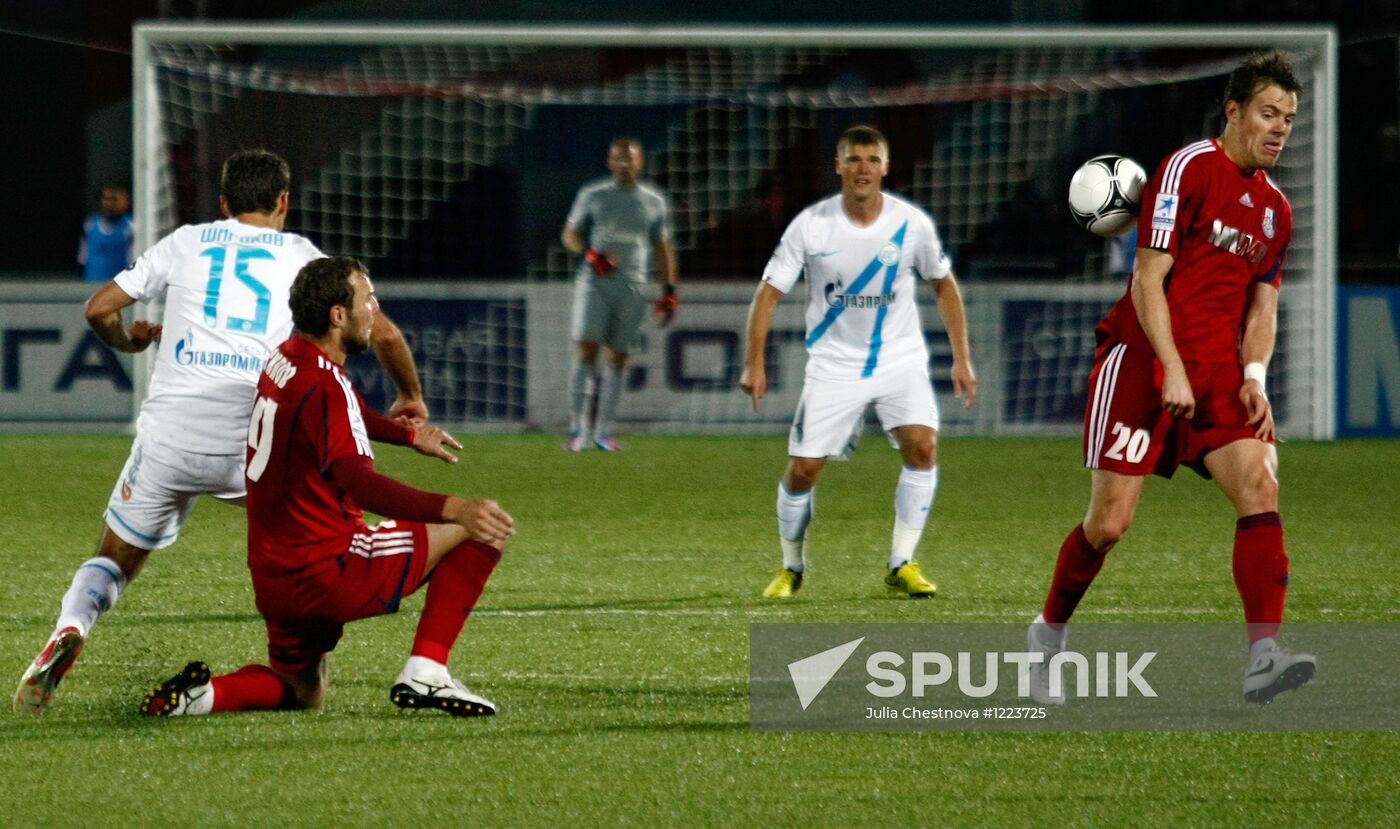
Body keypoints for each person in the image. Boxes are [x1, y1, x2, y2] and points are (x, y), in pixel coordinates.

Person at [14, 150, 427, 716]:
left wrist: (126, 341)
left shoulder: (187, 241)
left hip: (170, 440)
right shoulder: (305, 257)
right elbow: (381, 334)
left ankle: (72, 626)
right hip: (251, 447)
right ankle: (302, 666)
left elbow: (98, 308)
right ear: (284, 202)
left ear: (224, 204)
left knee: (116, 555)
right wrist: (411, 396)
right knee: (322, 541)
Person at [1025, 51, 1314, 706]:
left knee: (1260, 487)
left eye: (1290, 119)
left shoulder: (1276, 212)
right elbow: (1147, 278)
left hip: (1216, 373)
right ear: (1234, 111)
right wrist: (1172, 368)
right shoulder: (1188, 169)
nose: (1279, 128)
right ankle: (1047, 635)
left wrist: (1255, 376)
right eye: (1269, 113)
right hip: (1142, 359)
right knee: (1109, 525)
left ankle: (1263, 655)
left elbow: (1263, 307)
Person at [138, 257, 512, 717]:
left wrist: (408, 434)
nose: (375, 308)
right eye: (367, 299)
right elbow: (362, 485)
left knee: (303, 692)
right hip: (328, 567)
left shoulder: (288, 357)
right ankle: (427, 671)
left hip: (275, 576)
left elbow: (344, 409)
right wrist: (456, 507)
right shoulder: (324, 386)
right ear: (338, 316)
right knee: (485, 526)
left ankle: (205, 696)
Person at [740, 124, 977, 599]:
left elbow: (944, 285)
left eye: (872, 159)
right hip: (833, 365)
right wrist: (754, 363)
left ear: (886, 167)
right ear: (838, 166)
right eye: (853, 159)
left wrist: (962, 359)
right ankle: (791, 566)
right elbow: (768, 294)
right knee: (804, 469)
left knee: (923, 448)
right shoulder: (812, 225)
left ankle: (902, 562)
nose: (863, 168)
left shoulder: (912, 224)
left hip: (900, 359)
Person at [560, 137, 680, 451]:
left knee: (619, 356)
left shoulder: (654, 201)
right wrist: (589, 253)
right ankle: (577, 430)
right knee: (587, 350)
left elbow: (663, 247)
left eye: (631, 159)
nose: (625, 164)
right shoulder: (593, 194)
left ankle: (602, 432)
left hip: (635, 285)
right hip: (595, 282)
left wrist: (669, 291)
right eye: (619, 159)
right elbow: (570, 233)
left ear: (640, 162)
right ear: (610, 162)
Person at [78, 182, 135, 282]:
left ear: (126, 201)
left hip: (117, 286)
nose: (109, 204)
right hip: (90, 284)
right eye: (105, 199)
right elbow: (82, 257)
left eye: (114, 199)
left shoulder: (131, 226)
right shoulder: (90, 224)